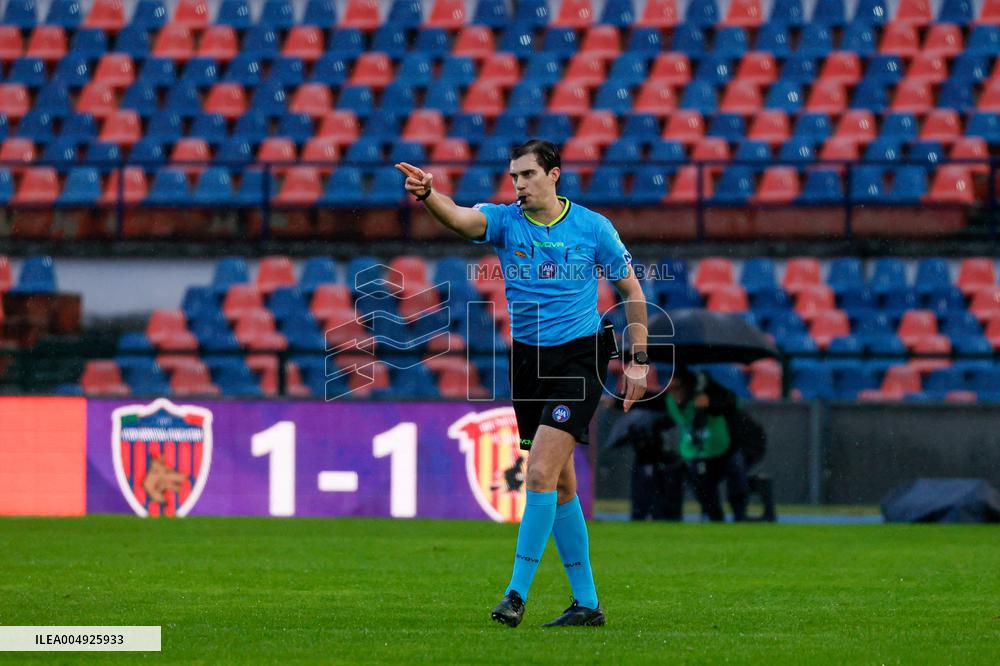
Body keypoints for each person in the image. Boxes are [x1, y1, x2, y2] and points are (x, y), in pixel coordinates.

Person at [395, 140, 649, 628]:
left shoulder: (593, 227)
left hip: (580, 358)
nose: (519, 185)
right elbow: (461, 219)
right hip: (528, 362)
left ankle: (515, 595)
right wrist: (429, 195)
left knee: (539, 474)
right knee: (562, 482)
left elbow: (630, 289)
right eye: (514, 176)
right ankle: (587, 604)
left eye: (528, 175)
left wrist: (637, 360)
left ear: (554, 175)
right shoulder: (506, 221)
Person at [664, 366, 750, 522]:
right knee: (702, 486)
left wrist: (710, 403)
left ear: (686, 386)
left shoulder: (711, 391)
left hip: (724, 448)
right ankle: (714, 518)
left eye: (677, 388)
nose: (674, 392)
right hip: (697, 451)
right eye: (670, 389)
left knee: (736, 472)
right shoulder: (672, 401)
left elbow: (732, 402)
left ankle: (740, 516)